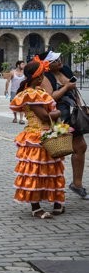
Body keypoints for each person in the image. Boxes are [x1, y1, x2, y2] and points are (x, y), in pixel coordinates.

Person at [10, 59, 65, 218]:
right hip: (37, 137)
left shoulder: (37, 91)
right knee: (36, 172)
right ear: (38, 77)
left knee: (52, 170)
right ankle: (36, 207)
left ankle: (57, 203)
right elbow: (44, 116)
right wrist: (58, 113)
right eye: (42, 74)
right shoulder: (31, 94)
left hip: (47, 135)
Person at [39, 51, 88, 200]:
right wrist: (66, 87)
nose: (59, 61)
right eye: (55, 60)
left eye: (59, 58)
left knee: (80, 146)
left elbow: (74, 91)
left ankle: (77, 184)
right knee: (57, 151)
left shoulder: (65, 70)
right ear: (47, 64)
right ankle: (48, 187)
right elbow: (50, 97)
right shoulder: (45, 77)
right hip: (58, 118)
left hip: (72, 115)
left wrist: (79, 105)